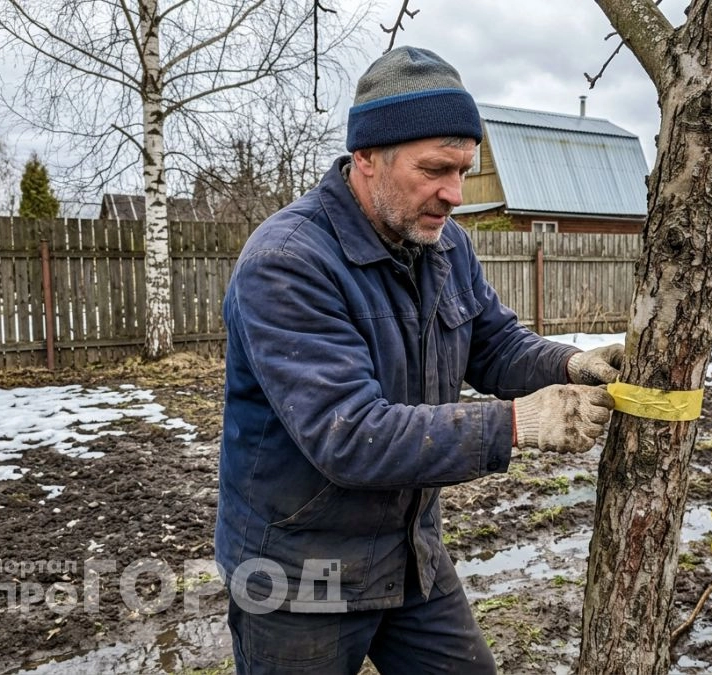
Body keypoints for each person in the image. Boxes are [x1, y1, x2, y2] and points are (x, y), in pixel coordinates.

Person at [215, 45, 624, 674]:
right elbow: (348, 433)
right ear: (367, 159)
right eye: (436, 169)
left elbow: (492, 344)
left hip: (408, 553)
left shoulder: (443, 245)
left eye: (464, 169)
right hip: (301, 570)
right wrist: (518, 423)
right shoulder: (289, 262)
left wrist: (570, 365)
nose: (455, 193)